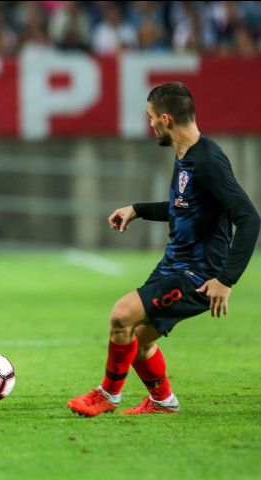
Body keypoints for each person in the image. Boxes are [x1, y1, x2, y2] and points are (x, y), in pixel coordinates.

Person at [67, 82, 260, 416]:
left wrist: (225, 280)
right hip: (174, 264)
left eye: (151, 117)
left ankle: (107, 396)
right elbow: (183, 207)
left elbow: (249, 218)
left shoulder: (208, 161)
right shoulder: (186, 155)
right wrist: (138, 209)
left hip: (197, 273)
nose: (150, 124)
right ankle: (163, 402)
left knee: (121, 315)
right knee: (138, 341)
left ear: (166, 119)